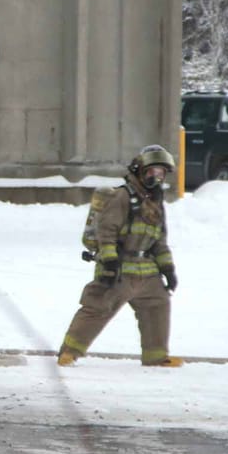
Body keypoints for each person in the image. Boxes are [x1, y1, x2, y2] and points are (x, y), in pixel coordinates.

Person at [57, 145, 182, 367]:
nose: (156, 177)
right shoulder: (122, 196)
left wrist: (168, 269)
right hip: (121, 269)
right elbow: (106, 232)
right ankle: (69, 352)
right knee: (98, 307)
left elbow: (159, 241)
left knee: (158, 305)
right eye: (152, 171)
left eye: (161, 173)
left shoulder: (155, 202)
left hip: (147, 271)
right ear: (139, 170)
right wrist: (109, 262)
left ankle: (155, 357)